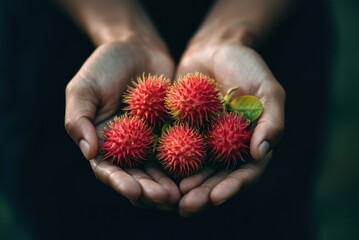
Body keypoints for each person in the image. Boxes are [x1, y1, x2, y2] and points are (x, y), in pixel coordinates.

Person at [0, 0, 330, 239]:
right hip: (62, 37)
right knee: (62, 217)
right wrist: (120, 33)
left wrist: (234, 32)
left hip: (269, 28)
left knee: (266, 222)